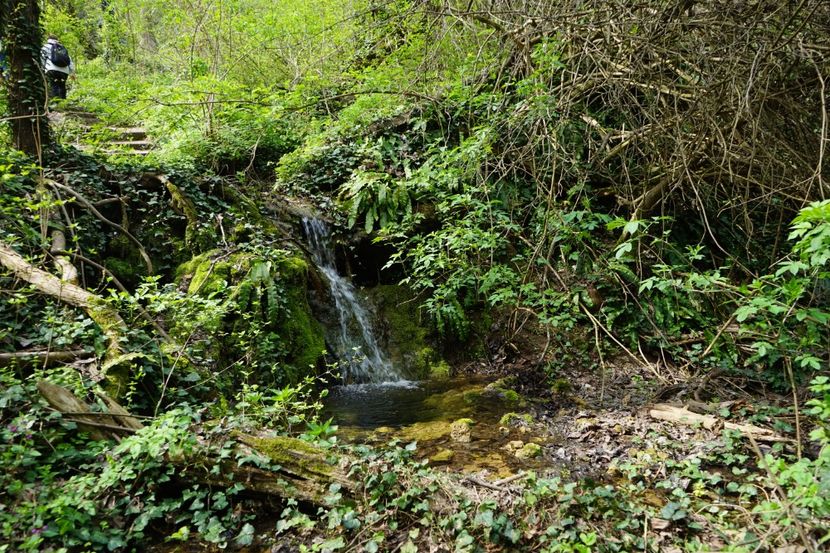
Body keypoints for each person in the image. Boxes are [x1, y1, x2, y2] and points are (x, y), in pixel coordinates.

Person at [40, 36, 75, 100]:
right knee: (62, 86)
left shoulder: (46, 47)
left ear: (48, 40)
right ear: (57, 40)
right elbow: (70, 61)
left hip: (51, 69)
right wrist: (72, 72)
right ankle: (63, 102)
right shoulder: (62, 48)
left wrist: (43, 68)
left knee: (54, 85)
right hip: (64, 71)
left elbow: (42, 58)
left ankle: (55, 102)